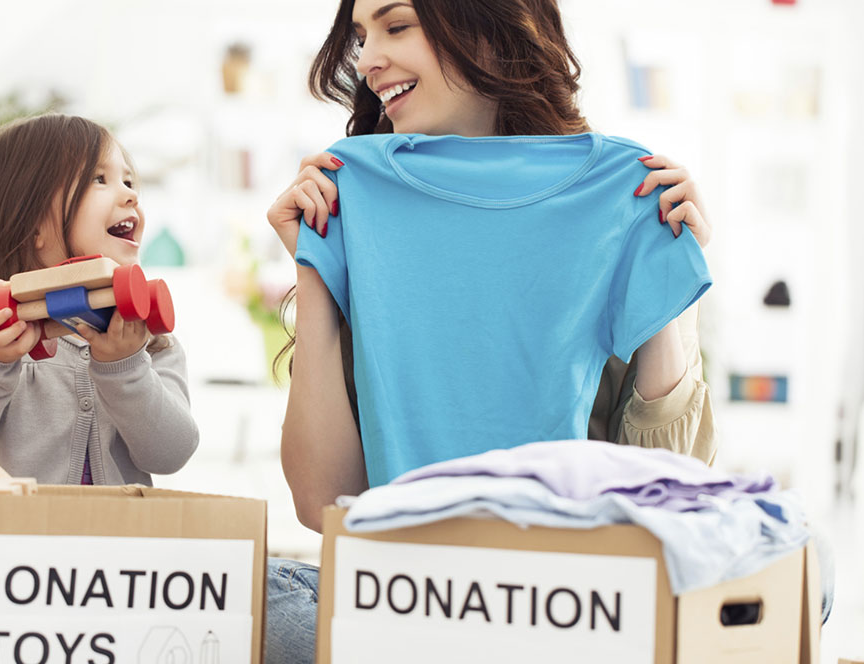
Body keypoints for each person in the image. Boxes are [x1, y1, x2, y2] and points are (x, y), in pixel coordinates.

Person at [262, 1, 717, 661]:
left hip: (561, 594)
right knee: (254, 594)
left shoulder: (623, 191)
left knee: (800, 577)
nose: (367, 62)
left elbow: (671, 495)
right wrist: (314, 266)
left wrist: (664, 288)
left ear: (485, 26)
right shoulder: (357, 195)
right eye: (361, 39)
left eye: (396, 27)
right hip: (409, 591)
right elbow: (323, 502)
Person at [0, 113, 199, 486]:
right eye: (99, 179)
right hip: (15, 539)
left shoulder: (146, 337)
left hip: (116, 540)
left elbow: (171, 455)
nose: (131, 194)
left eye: (129, 180)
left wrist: (127, 368)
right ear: (31, 223)